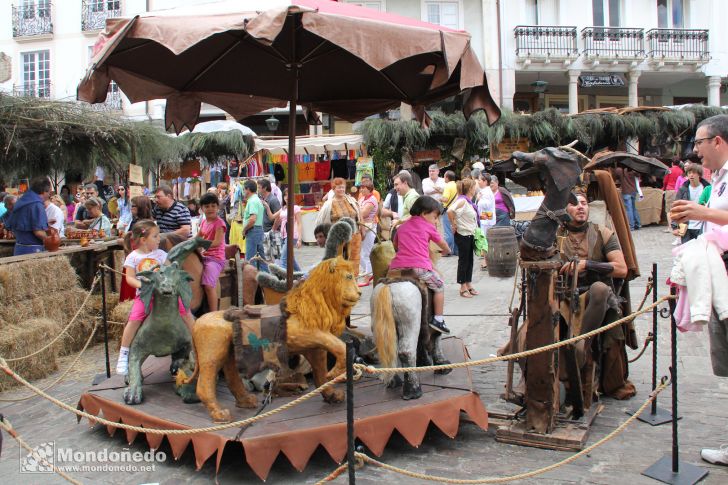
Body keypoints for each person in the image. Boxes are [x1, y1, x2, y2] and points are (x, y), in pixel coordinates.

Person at [671, 114, 728, 466]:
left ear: (718, 142)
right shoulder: (718, 179)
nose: (695, 152)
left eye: (699, 143)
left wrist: (702, 212)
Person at [557, 192, 634, 400]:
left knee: (600, 288)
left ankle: (583, 342)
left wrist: (588, 264)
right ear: (565, 209)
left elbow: (621, 269)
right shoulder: (557, 235)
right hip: (563, 297)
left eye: (584, 203)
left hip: (595, 297)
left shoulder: (603, 233)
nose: (580, 207)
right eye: (574, 204)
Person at [115, 220, 196, 376]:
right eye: (156, 236)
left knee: (185, 311)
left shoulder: (161, 255)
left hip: (165, 295)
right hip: (145, 295)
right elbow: (129, 279)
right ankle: (123, 354)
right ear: (144, 240)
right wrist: (141, 285)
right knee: (135, 319)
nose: (160, 239)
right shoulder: (132, 257)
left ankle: (198, 341)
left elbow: (170, 270)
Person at [389, 196, 450, 333]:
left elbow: (395, 245)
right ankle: (438, 320)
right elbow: (441, 243)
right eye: (435, 217)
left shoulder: (402, 226)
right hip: (418, 268)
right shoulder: (428, 226)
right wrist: (447, 250)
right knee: (439, 286)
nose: (435, 221)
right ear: (424, 213)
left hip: (396, 268)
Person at [316, 177, 362, 275]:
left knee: (354, 261)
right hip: (338, 238)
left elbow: (359, 214)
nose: (341, 189)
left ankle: (353, 282)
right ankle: (340, 283)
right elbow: (321, 221)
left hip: (354, 236)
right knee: (339, 261)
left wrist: (363, 230)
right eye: (338, 188)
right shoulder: (328, 204)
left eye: (342, 187)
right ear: (333, 189)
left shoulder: (351, 200)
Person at [448, 178, 479, 298]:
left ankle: (468, 283)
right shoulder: (462, 201)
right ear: (470, 189)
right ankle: (462, 286)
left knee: (470, 260)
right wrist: (454, 224)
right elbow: (450, 211)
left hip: (470, 233)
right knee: (463, 260)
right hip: (463, 234)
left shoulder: (469, 201)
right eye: (474, 187)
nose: (475, 189)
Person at [197, 192, 227, 312]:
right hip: (204, 255)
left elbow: (217, 242)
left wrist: (201, 244)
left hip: (215, 258)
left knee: (208, 286)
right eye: (207, 206)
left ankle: (213, 313)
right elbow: (197, 237)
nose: (210, 209)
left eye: (213, 206)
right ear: (202, 208)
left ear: (218, 207)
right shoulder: (204, 222)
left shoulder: (220, 223)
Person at [6, 177, 50, 255]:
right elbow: (38, 232)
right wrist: (51, 240)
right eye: (49, 192)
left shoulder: (21, 201)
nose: (49, 195)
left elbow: (24, 221)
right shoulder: (37, 204)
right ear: (44, 192)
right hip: (32, 251)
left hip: (19, 248)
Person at [674, 163, 710, 244]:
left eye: (694, 173)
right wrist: (674, 227)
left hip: (702, 225)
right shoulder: (683, 189)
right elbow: (676, 207)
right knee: (686, 251)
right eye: (689, 173)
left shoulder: (707, 188)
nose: (691, 175)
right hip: (685, 225)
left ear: (699, 175)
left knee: (701, 251)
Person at [270, 188, 302, 271]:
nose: (287, 197)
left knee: (283, 259)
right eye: (285, 195)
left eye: (289, 195)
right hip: (283, 236)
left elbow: (299, 223)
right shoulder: (283, 208)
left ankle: (283, 280)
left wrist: (299, 239)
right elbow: (272, 217)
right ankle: (302, 276)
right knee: (291, 259)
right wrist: (266, 206)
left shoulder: (296, 208)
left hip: (291, 235)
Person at [242, 179, 267, 271]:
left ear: (248, 189)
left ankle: (250, 279)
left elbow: (252, 219)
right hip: (258, 229)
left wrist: (244, 229)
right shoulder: (257, 200)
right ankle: (266, 277)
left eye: (244, 189)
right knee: (261, 258)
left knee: (250, 258)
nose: (243, 191)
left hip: (253, 230)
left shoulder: (252, 201)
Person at [358, 179, 379, 285]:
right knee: (360, 253)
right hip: (363, 227)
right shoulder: (362, 199)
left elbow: (363, 213)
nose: (361, 189)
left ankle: (368, 276)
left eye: (363, 188)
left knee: (366, 253)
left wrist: (354, 211)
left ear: (369, 189)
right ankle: (369, 272)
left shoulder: (372, 200)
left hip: (369, 228)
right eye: (361, 187)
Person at [258, 178, 282, 263]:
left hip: (273, 232)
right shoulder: (264, 199)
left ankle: (278, 275)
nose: (258, 189)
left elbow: (278, 217)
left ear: (264, 188)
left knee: (276, 257)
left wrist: (273, 230)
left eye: (259, 187)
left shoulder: (273, 200)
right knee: (268, 258)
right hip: (266, 231)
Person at [476, 173, 496, 270]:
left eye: (480, 180)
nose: (478, 181)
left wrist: (479, 200)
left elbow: (487, 205)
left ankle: (486, 261)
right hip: (485, 217)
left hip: (487, 217)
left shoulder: (486, 192)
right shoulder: (484, 191)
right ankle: (486, 260)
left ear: (485, 181)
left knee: (485, 240)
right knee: (485, 240)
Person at [441, 170, 458, 255]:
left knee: (448, 231)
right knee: (455, 229)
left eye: (444, 176)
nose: (444, 178)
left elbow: (445, 199)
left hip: (448, 211)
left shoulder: (448, 186)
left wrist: (438, 199)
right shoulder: (456, 185)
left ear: (447, 177)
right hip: (456, 211)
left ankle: (447, 251)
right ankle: (455, 250)